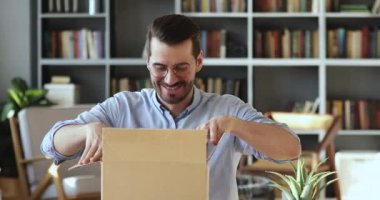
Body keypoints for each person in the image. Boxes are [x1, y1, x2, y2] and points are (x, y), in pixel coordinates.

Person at [41, 14, 301, 200]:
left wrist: (233, 125)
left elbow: (291, 149)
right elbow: (50, 145)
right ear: (147, 62)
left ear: (199, 61)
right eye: (160, 67)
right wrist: (88, 129)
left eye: (180, 67)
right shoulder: (122, 107)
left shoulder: (227, 109)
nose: (169, 79)